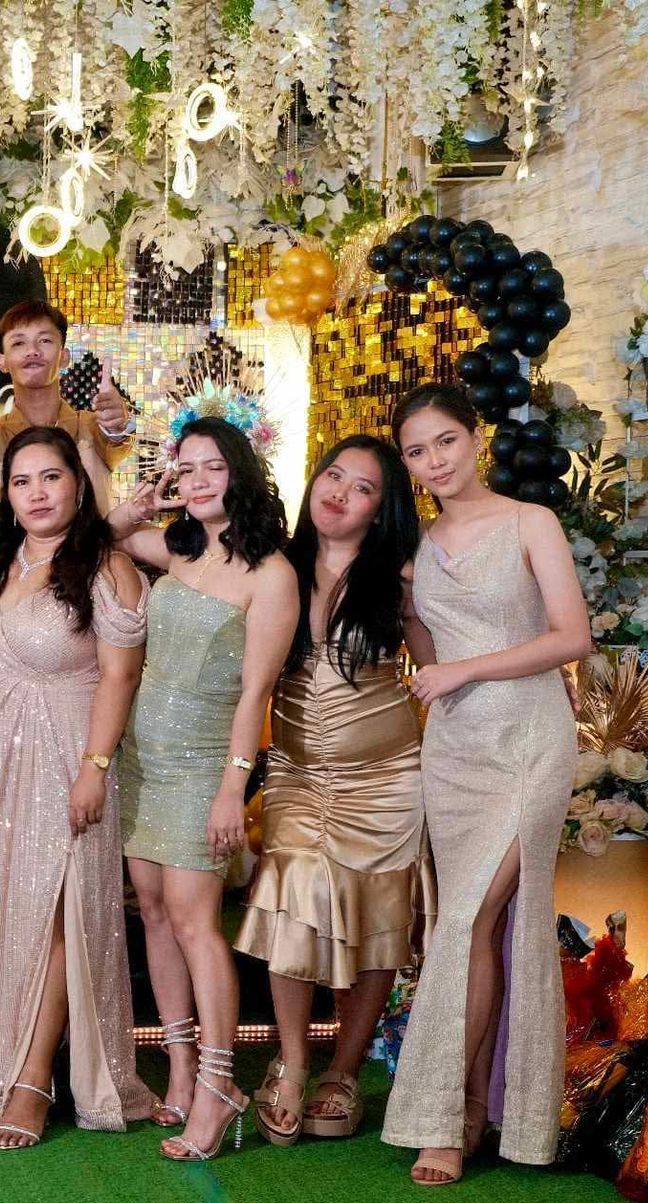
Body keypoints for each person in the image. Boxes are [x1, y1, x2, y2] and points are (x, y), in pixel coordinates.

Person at [379, 385, 588, 1185]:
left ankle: (446, 1114)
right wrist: (429, 651)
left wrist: (466, 667)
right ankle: (471, 1104)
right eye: (417, 451)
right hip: (455, 752)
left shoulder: (531, 523)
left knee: (470, 918)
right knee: (467, 922)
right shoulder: (418, 546)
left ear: (477, 437)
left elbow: (572, 635)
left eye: (445, 442)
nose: (434, 461)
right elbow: (424, 649)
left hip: (529, 740)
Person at [0, 426, 156, 1149]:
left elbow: (120, 676)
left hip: (68, 751)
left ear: (78, 484)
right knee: (1, 908)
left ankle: (35, 1075)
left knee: (61, 907)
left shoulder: (108, 567)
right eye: (22, 479)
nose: (36, 492)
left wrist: (95, 767)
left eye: (51, 477)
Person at [232, 435, 430, 1145]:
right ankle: (290, 1058)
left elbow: (437, 672)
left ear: (381, 511)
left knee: (376, 911)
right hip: (293, 767)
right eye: (333, 474)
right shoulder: (273, 565)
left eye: (364, 487)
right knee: (291, 899)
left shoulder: (402, 575)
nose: (340, 491)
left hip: (386, 775)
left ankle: (344, 1068)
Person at [108, 416, 297, 1161]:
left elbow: (257, 695)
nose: (196, 480)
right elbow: (103, 533)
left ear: (241, 472)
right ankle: (181, 1069)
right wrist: (144, 500)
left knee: (194, 921)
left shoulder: (272, 572)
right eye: (184, 468)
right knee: (151, 912)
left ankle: (221, 1082)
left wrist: (231, 790)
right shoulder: (175, 549)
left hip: (203, 765)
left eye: (212, 466)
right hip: (139, 757)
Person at [0, 300, 134, 513]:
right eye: (18, 343)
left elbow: (116, 438)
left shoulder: (92, 427)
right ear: (2, 361)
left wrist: (117, 422)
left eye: (45, 340)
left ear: (64, 356)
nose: (32, 351)